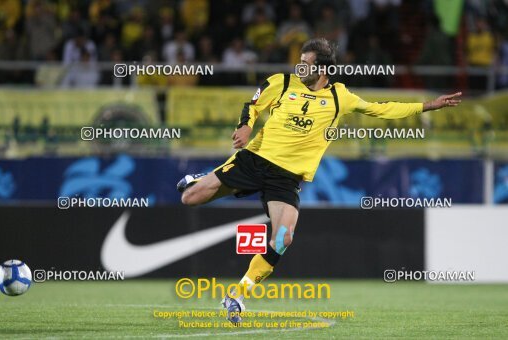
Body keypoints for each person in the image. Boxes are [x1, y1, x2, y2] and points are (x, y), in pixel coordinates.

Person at [176, 38, 462, 324]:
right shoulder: (283, 83)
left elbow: (382, 109)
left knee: (283, 237)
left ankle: (238, 294)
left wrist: (427, 106)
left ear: (322, 68)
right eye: (299, 61)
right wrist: (246, 125)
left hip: (285, 178)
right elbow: (252, 103)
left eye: (306, 63)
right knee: (190, 198)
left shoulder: (340, 97)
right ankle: (203, 177)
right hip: (254, 161)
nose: (300, 67)